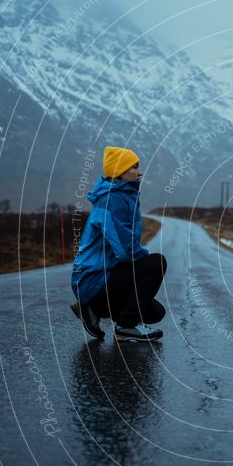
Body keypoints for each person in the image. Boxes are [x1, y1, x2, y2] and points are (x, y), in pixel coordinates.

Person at [70, 146, 167, 342]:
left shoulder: (121, 195)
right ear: (120, 172)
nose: (140, 172)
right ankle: (126, 327)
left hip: (102, 278)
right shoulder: (111, 199)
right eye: (134, 167)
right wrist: (144, 258)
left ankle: (92, 308)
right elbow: (125, 251)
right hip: (95, 279)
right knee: (156, 263)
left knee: (155, 312)